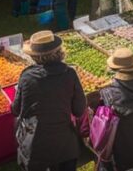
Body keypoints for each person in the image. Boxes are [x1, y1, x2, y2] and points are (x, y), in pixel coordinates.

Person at [12, 31, 87, 171]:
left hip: (35, 144)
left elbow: (15, 110)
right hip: (64, 144)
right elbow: (79, 110)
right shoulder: (69, 73)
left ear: (35, 56)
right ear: (59, 51)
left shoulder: (27, 76)